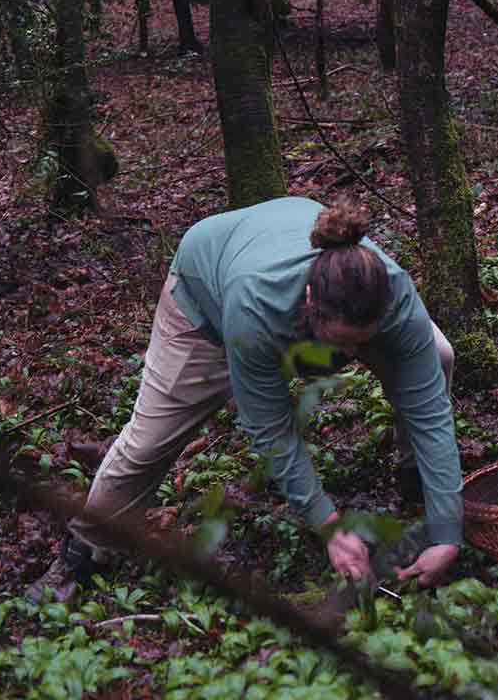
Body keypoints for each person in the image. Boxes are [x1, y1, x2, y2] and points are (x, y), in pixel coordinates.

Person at [34, 196, 464, 600]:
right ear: (312, 301)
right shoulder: (254, 306)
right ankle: (86, 550)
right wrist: (330, 527)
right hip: (207, 299)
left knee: (438, 355)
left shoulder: (393, 295)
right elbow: (272, 429)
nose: (351, 360)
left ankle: (416, 480)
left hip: (281, 258)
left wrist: (448, 532)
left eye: (362, 345)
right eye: (343, 346)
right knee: (149, 442)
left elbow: (429, 408)